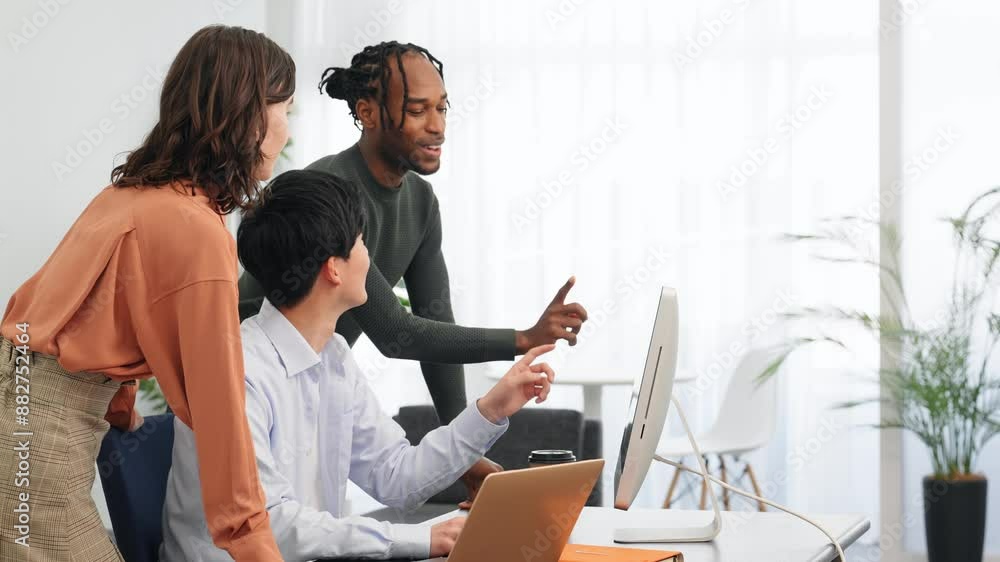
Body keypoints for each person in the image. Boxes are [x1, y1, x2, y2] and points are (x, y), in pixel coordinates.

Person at [237, 41, 588, 504]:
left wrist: (463, 454)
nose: (437, 125)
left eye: (442, 108)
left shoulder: (420, 201)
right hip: (253, 378)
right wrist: (522, 339)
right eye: (419, 110)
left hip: (316, 370)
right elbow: (395, 333)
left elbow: (434, 319)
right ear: (367, 112)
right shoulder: (335, 194)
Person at [0, 25, 293, 561]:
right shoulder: (196, 228)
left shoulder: (126, 195)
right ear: (250, 115)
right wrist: (252, 539)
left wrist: (120, 408)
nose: (287, 130)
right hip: (37, 443)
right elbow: (219, 406)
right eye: (285, 110)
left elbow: (89, 311)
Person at [162, 169, 557, 560]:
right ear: (333, 267)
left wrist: (491, 410)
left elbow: (397, 477)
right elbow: (267, 525)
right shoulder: (236, 371)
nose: (370, 258)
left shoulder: (332, 355)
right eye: (362, 242)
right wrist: (419, 539)